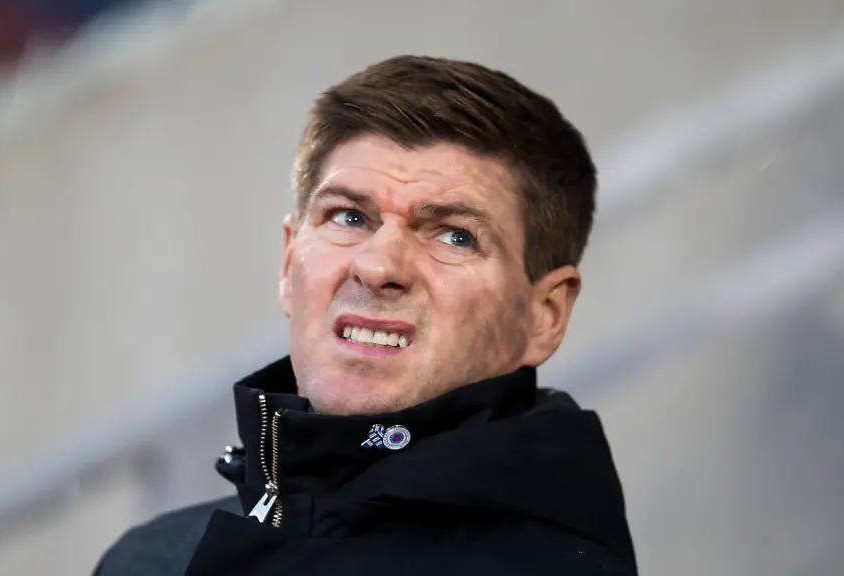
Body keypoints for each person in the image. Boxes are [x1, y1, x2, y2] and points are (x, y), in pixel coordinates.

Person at [93, 55, 636, 575]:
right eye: (349, 216)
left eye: (455, 236)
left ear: (544, 315)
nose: (377, 267)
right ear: (288, 262)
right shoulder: (151, 560)